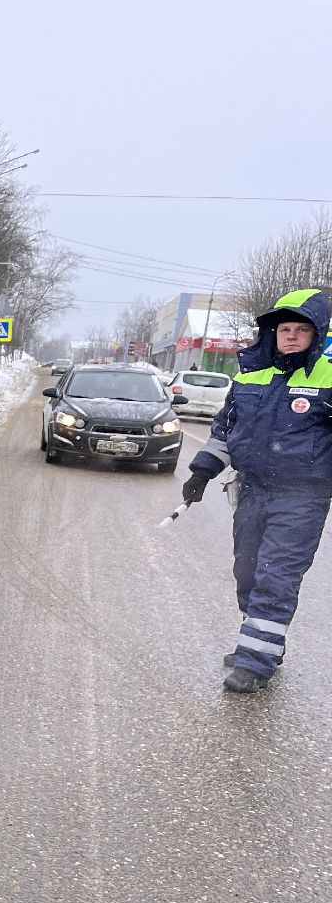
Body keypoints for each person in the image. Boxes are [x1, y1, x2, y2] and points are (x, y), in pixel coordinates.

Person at [182, 287, 332, 693]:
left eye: (301, 329)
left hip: (303, 497)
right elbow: (226, 430)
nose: (291, 336)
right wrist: (202, 471)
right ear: (273, 332)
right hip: (253, 491)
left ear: (317, 334)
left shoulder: (328, 378)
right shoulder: (250, 375)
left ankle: (256, 660)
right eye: (285, 328)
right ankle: (262, 640)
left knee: (275, 576)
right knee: (247, 572)